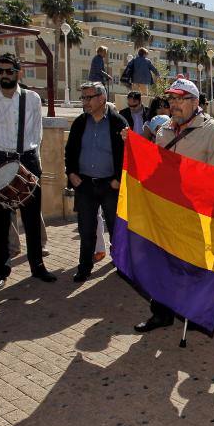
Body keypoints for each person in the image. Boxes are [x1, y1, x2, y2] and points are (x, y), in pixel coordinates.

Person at [133, 75, 214, 332]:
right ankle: (160, 313)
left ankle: (193, 311)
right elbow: (155, 168)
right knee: (161, 262)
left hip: (195, 211)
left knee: (192, 265)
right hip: (166, 211)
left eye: (179, 99)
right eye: (171, 99)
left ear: (194, 101)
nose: (173, 104)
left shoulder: (213, 130)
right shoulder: (163, 130)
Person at [0, 53, 56, 290]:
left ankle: (37, 266)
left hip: (27, 158)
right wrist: (3, 157)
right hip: (0, 158)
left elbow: (37, 132)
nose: (4, 75)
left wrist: (32, 162)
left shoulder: (31, 98)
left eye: (8, 71)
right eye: (0, 71)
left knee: (32, 219)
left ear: (18, 72)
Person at [65, 82, 128, 283]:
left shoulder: (118, 122)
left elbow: (128, 154)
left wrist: (118, 179)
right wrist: (72, 174)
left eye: (88, 97)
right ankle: (84, 266)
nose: (85, 102)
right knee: (86, 229)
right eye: (83, 98)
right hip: (84, 185)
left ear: (102, 98)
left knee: (115, 228)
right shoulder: (80, 122)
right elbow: (70, 151)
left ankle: (120, 263)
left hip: (110, 185)